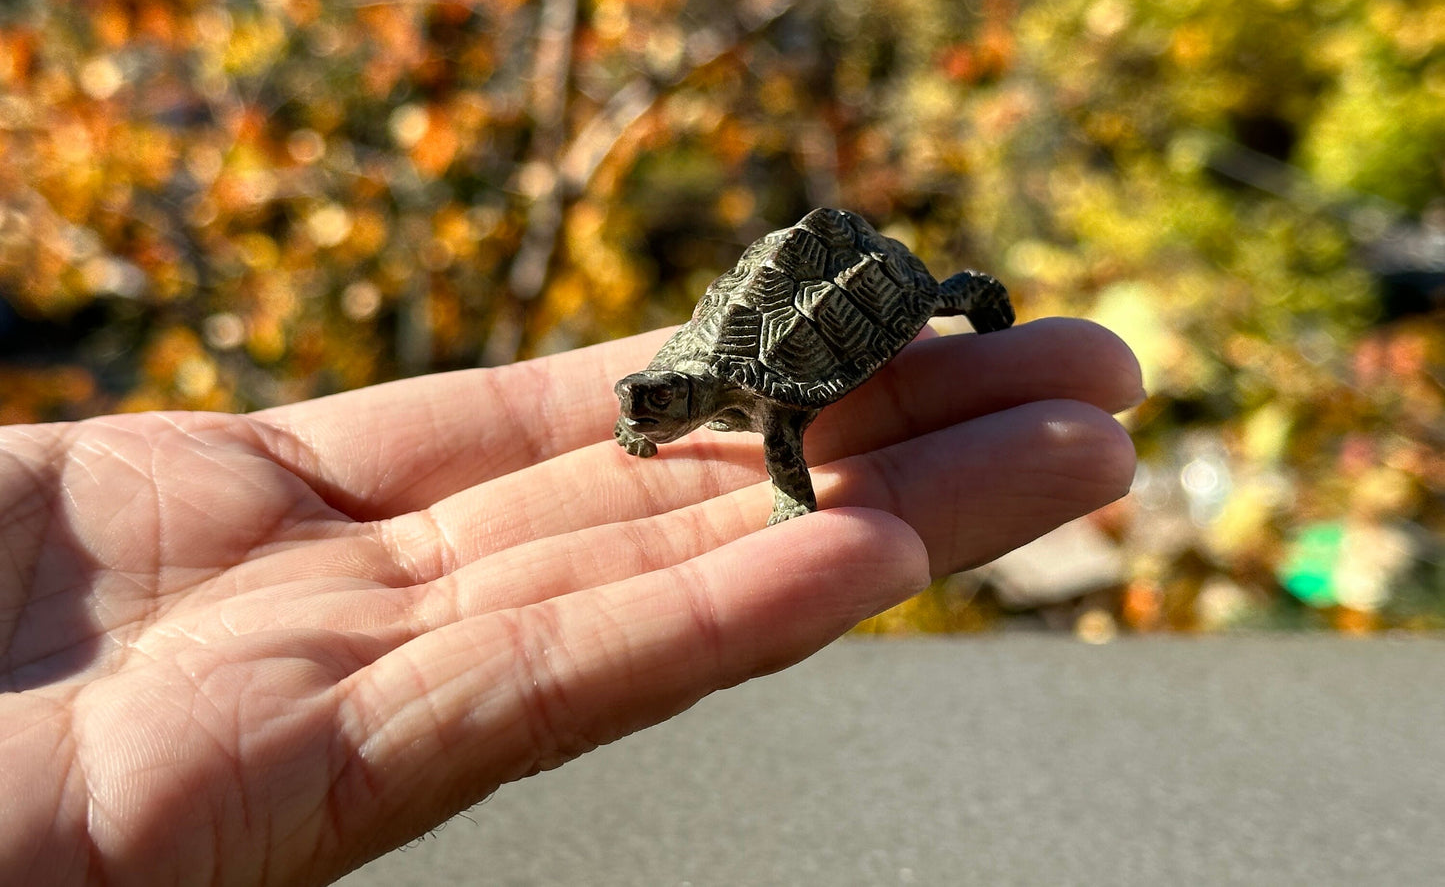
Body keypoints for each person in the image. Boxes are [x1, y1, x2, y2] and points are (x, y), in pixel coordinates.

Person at [0, 316, 1141, 885]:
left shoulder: (762, 396)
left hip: (836, 320)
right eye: (647, 411)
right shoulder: (700, 380)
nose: (644, 420)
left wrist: (794, 506)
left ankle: (961, 316)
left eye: (657, 411)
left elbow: (780, 437)